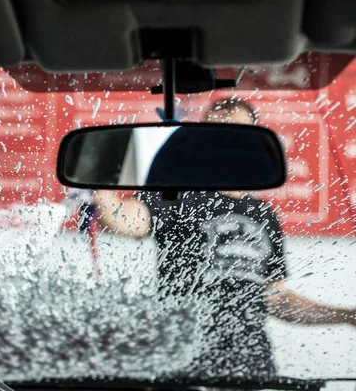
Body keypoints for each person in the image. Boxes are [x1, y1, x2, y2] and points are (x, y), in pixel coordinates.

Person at [93, 98, 356, 377]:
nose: (226, 145)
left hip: (253, 368)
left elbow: (277, 299)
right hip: (186, 368)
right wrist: (99, 180)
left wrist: (347, 315)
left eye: (237, 137)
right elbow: (123, 220)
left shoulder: (263, 213)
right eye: (215, 136)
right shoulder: (177, 197)